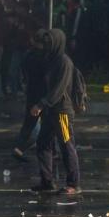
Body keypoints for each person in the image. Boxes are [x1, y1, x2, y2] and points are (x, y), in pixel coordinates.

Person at [30, 29, 81, 195]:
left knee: (66, 145)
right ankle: (47, 181)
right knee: (43, 143)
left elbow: (58, 89)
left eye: (49, 43)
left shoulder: (64, 62)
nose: (46, 46)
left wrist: (41, 104)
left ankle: (73, 183)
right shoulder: (50, 59)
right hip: (51, 111)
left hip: (62, 112)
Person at [12, 29, 48, 161]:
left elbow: (23, 72)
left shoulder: (28, 55)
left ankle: (19, 148)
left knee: (29, 123)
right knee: (48, 124)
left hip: (32, 92)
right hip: (44, 94)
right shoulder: (46, 57)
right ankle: (49, 150)